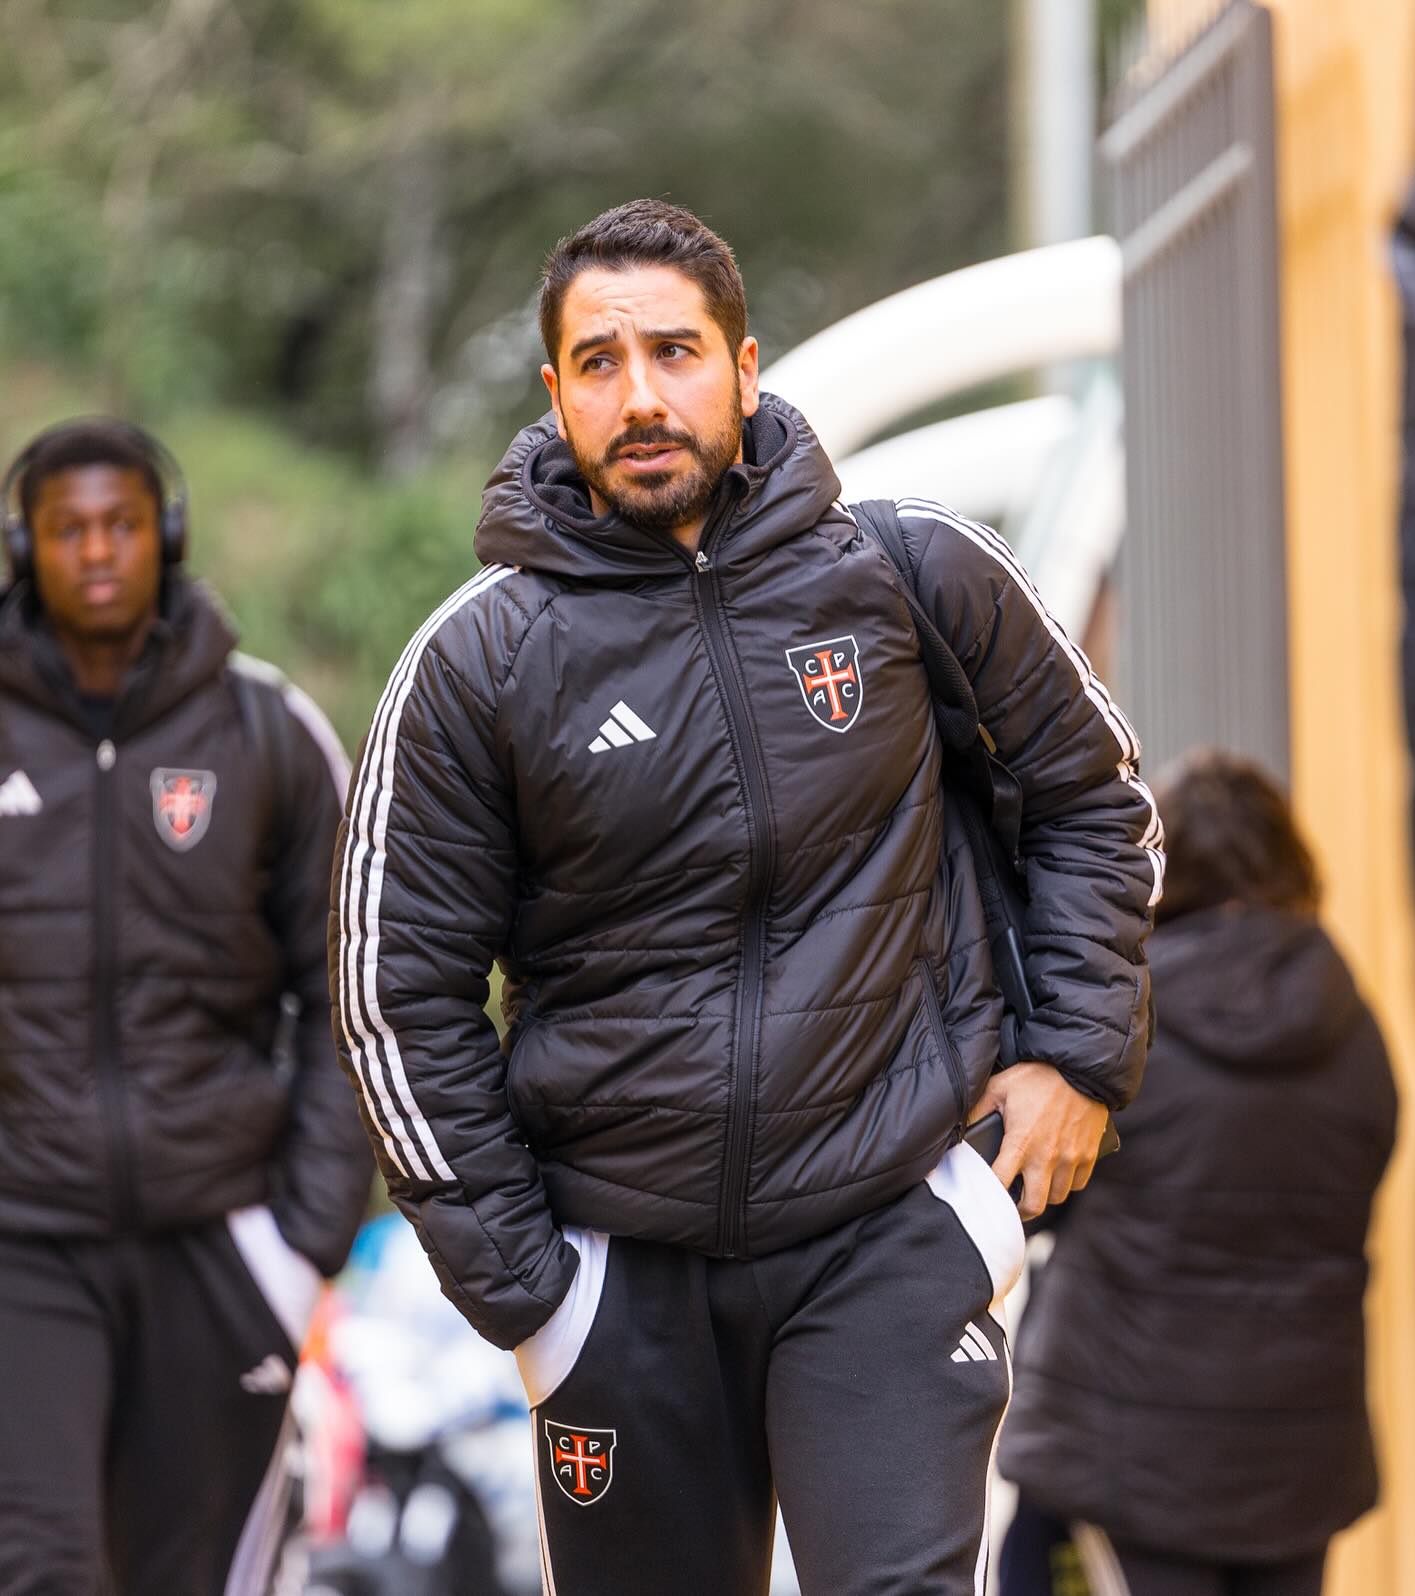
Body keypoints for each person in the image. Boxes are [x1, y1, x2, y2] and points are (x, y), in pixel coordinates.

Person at [330, 199, 1163, 1596]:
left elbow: (1097, 797)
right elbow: (393, 991)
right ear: (556, 394)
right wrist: (538, 1294)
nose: (641, 397)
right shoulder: (477, 662)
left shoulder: (908, 572)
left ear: (745, 365)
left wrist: (1077, 1057)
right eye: (600, 363)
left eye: (675, 351)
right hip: (622, 1279)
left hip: (887, 1232)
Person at [0, 418, 373, 1595]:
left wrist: (306, 1239)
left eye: (119, 524)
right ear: (23, 547)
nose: (95, 550)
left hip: (222, 1242)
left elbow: (355, 986)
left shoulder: (265, 729)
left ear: (165, 534)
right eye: (67, 528)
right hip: (22, 1241)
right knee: (39, 1566)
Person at [997, 750, 1397, 1596]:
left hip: (1125, 1447)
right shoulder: (1353, 1024)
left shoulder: (1125, 1024)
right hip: (1298, 1453)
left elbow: (1040, 1189)